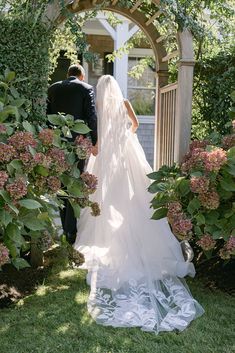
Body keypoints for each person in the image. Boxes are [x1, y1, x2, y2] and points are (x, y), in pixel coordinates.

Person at [74, 75, 204, 333]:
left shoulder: (100, 109)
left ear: (101, 93)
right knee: (135, 202)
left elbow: (100, 142)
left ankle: (116, 240)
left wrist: (94, 149)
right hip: (126, 160)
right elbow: (133, 126)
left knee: (107, 203)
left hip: (109, 163)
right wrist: (125, 139)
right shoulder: (124, 102)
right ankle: (136, 238)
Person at [47, 64, 98, 244]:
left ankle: (66, 228)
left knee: (61, 183)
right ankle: (71, 231)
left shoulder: (53, 88)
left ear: (68, 75)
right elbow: (91, 116)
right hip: (78, 143)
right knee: (75, 183)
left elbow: (48, 116)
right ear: (81, 76)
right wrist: (95, 140)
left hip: (58, 143)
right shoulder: (86, 88)